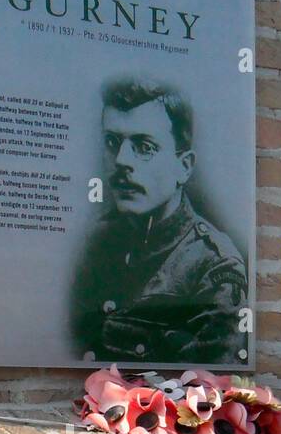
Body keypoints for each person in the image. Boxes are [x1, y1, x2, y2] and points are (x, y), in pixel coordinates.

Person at [69, 77, 250, 366]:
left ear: (185, 166)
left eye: (144, 146)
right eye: (112, 142)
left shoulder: (215, 267)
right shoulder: (93, 243)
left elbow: (209, 390)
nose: (121, 160)